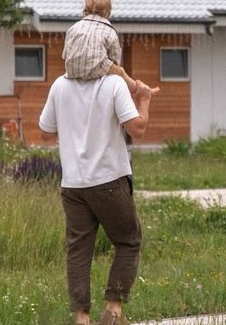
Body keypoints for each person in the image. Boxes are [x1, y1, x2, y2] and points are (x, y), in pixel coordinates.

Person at [39, 67, 154, 325]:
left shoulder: (60, 85)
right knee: (128, 240)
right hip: (109, 180)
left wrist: (74, 128)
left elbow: (45, 132)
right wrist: (144, 100)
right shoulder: (113, 84)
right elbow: (138, 129)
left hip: (73, 184)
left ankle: (81, 317)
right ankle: (113, 310)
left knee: (78, 250)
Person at [64, 0, 138, 93]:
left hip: (73, 70)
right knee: (120, 72)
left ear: (85, 8)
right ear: (107, 12)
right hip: (99, 67)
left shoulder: (73, 28)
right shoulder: (108, 30)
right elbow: (115, 57)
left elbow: (65, 54)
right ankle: (137, 89)